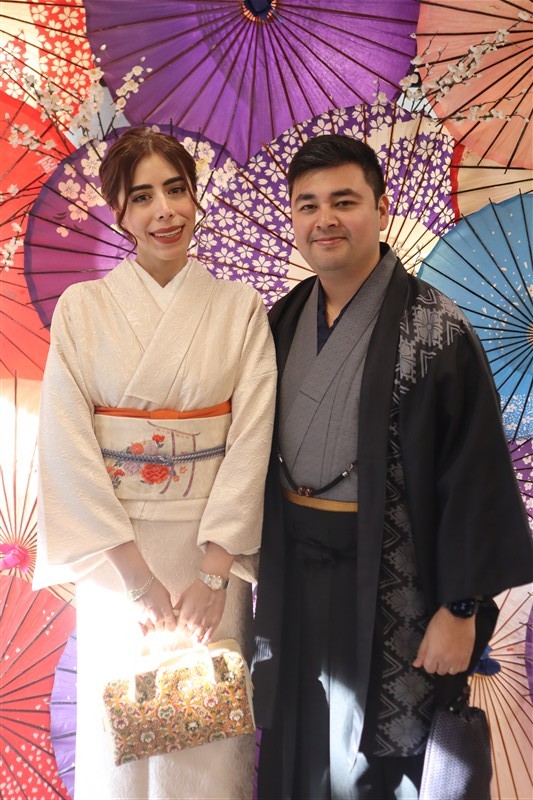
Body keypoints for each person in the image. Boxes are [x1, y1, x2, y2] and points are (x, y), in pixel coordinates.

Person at [252, 134, 533, 800]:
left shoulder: (435, 327)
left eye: (343, 201)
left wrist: (460, 610)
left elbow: (474, 476)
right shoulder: (281, 320)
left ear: (381, 209)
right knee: (299, 747)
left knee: (384, 759)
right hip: (293, 574)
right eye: (307, 205)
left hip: (391, 582)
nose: (324, 219)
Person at [33, 127, 277, 800]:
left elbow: (252, 438)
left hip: (209, 555)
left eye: (176, 190)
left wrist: (214, 571)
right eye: (142, 197)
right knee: (119, 741)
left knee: (204, 740)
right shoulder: (84, 309)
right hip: (118, 560)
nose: (164, 211)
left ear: (196, 198)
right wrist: (135, 581)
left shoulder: (238, 308)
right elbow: (65, 443)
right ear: (120, 213)